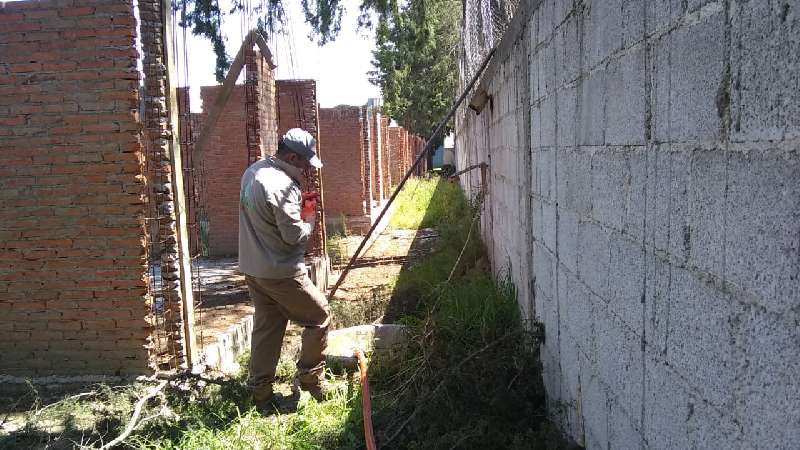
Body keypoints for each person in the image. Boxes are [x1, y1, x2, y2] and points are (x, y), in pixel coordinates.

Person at [238, 128, 329, 406]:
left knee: (268, 327)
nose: (306, 169)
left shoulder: (253, 171)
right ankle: (312, 379)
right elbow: (294, 236)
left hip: (254, 268)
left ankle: (260, 392)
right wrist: (309, 218)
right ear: (291, 156)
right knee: (319, 317)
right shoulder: (282, 185)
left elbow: (268, 218)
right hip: (281, 272)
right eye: (303, 162)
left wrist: (293, 209)